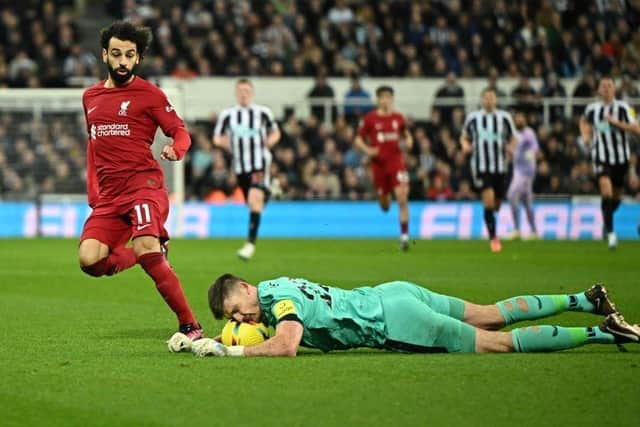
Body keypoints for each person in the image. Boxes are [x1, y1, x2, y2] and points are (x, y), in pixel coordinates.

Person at [78, 22, 203, 340]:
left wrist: (178, 148)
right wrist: (94, 192)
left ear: (138, 58)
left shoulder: (149, 94)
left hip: (143, 187)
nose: (122, 61)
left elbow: (180, 130)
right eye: (116, 54)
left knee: (146, 246)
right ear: (105, 54)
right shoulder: (90, 97)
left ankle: (190, 325)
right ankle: (153, 249)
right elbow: (94, 146)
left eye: (129, 55)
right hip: (109, 196)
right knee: (89, 260)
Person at [167, 274, 640, 357]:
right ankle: (584, 297)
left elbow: (286, 345)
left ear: (247, 291)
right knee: (490, 314)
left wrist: (229, 354)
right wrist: (203, 339)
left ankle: (603, 333)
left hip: (396, 323)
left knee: (497, 342)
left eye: (238, 311)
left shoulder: (276, 304)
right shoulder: (276, 288)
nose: (244, 321)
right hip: (393, 291)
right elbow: (257, 331)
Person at [213, 78, 281, 260]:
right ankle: (270, 188)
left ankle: (250, 244)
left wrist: (269, 142)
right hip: (240, 167)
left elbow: (275, 132)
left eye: (247, 91)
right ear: (236, 93)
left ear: (252, 93)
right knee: (252, 203)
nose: (244, 94)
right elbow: (217, 138)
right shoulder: (228, 115)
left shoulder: (263, 112)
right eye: (241, 90)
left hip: (259, 163)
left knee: (254, 199)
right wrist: (228, 145)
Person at [579, 76, 640, 249]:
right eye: (603, 86)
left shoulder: (623, 108)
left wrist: (617, 123)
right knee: (606, 190)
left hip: (621, 159)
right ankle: (612, 234)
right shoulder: (592, 109)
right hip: (600, 156)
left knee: (616, 197)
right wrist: (585, 135)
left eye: (609, 86)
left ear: (614, 89)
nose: (606, 89)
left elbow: (636, 128)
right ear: (599, 90)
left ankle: (607, 221)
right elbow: (583, 120)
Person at [354, 86, 413, 250]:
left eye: (388, 97)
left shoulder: (398, 118)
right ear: (378, 99)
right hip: (379, 165)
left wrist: (408, 141)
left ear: (392, 99)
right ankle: (386, 195)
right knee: (385, 205)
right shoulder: (370, 119)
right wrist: (368, 150)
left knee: (402, 198)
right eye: (382, 97)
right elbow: (358, 139)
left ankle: (404, 237)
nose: (385, 100)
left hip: (396, 162)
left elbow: (407, 135)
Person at [460, 87, 517, 252]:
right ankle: (494, 239)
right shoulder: (473, 118)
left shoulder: (504, 118)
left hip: (501, 166)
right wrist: (465, 146)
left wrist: (511, 148)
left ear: (496, 100)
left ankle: (492, 225)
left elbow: (513, 138)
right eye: (486, 97)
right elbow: (464, 136)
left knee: (497, 204)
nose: (489, 100)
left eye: (492, 97)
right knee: (489, 200)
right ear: (481, 99)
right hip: (481, 166)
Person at [507, 111, 539, 239]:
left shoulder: (528, 133)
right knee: (527, 202)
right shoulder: (514, 134)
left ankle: (516, 229)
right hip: (517, 170)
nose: (519, 120)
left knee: (511, 195)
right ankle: (534, 231)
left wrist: (531, 154)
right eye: (517, 118)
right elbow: (512, 151)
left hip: (526, 171)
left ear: (525, 120)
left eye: (521, 118)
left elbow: (535, 148)